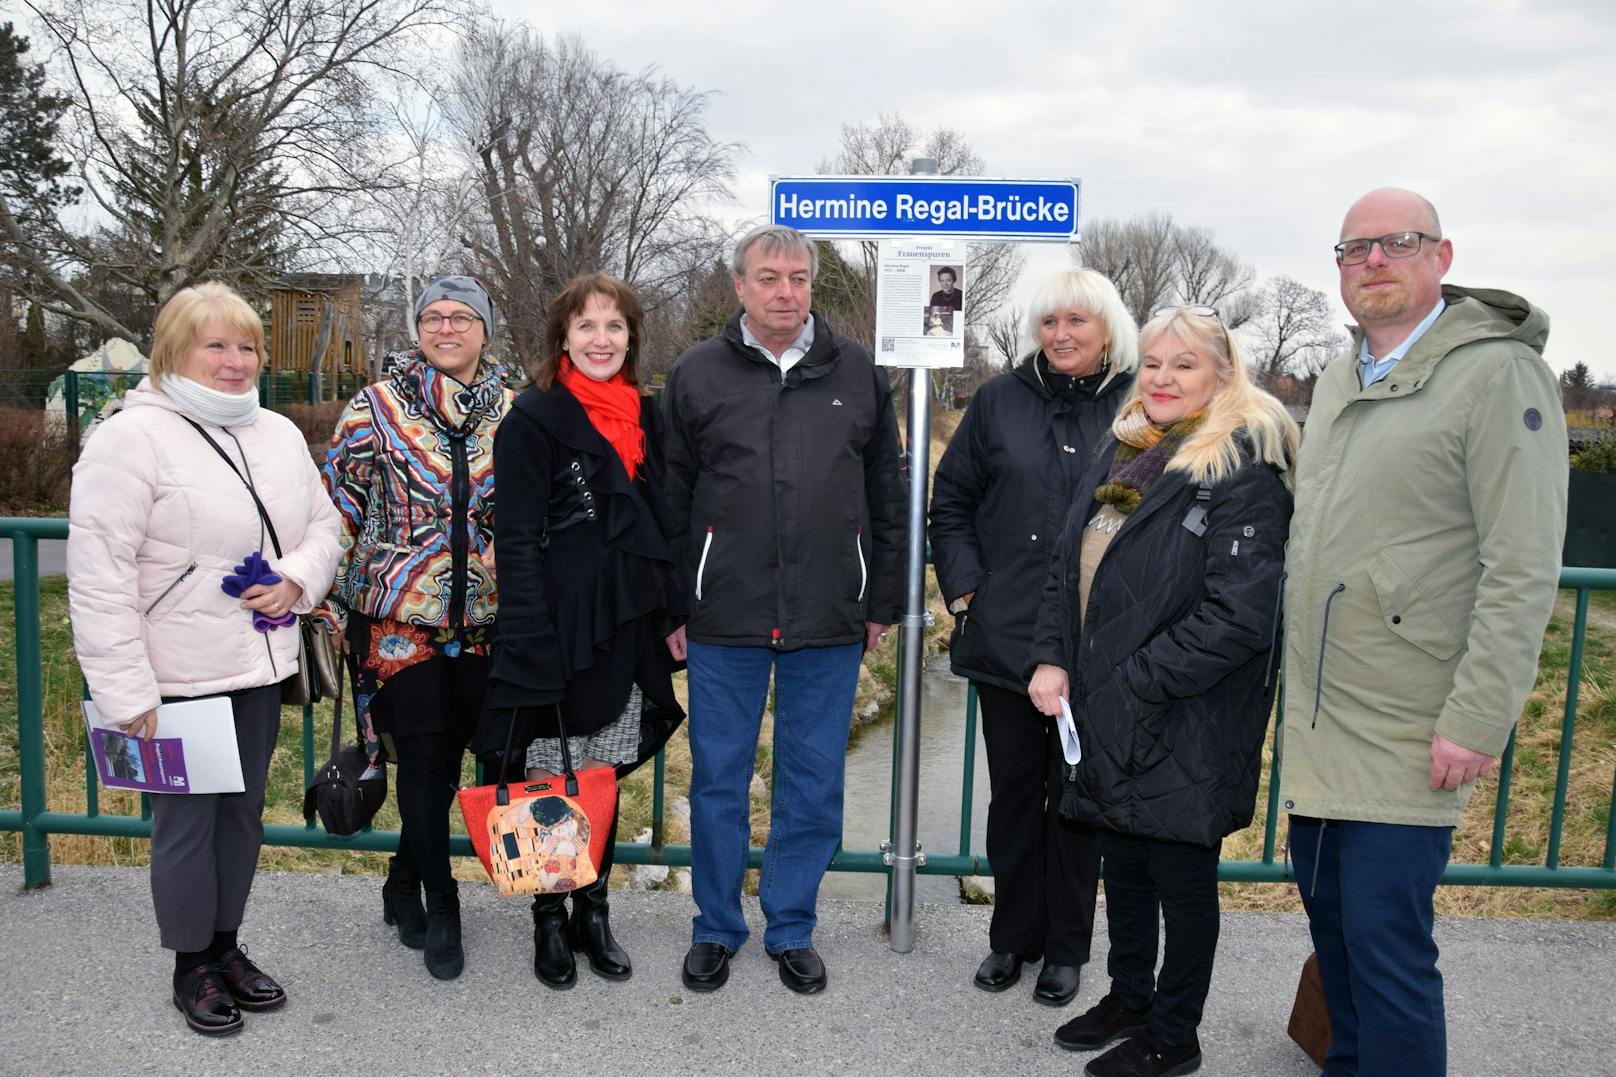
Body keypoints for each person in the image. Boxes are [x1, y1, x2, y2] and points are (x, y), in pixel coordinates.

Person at [1280, 188, 1568, 1077]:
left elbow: (1522, 564)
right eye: (1353, 249)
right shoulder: (1339, 377)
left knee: (1389, 953)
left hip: (1409, 723)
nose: (1373, 262)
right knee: (1339, 939)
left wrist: (1478, 716)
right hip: (1323, 721)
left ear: (1440, 257)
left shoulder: (1495, 374)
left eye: (1396, 243)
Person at [1027, 306, 1297, 1077]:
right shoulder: (1128, 449)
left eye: (1183, 364)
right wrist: (1054, 657)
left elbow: (1240, 614)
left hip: (1187, 711)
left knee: (1180, 878)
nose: (1163, 378)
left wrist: (1138, 680)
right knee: (1127, 863)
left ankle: (1175, 1034)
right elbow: (1065, 568)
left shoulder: (1242, 465)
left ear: (1222, 374)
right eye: (1152, 363)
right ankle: (1129, 997)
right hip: (1110, 703)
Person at [67, 282, 342, 1036]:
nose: (235, 360)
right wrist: (126, 692)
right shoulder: (130, 437)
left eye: (248, 345)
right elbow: (99, 578)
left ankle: (227, 946)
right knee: (185, 827)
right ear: (173, 350)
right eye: (215, 344)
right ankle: (191, 964)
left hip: (255, 668)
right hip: (172, 679)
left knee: (242, 818)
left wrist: (296, 580)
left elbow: (324, 526)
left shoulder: (278, 432)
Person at [662, 224, 906, 995]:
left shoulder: (857, 371)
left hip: (830, 612)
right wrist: (674, 599)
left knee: (811, 780)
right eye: (769, 277)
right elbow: (669, 498)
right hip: (722, 612)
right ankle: (716, 927)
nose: (784, 291)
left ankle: (792, 925)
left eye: (798, 278)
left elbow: (888, 495)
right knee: (718, 779)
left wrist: (884, 597)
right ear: (739, 285)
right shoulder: (697, 373)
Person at [929, 268, 1138, 1007]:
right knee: (1015, 795)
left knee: (1075, 797)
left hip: (1097, 642)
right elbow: (950, 502)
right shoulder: (998, 401)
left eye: (1078, 321)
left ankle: (1067, 947)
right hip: (1007, 638)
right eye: (1051, 322)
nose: (1062, 334)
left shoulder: (1137, 408)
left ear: (1108, 329)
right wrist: (967, 593)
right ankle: (1012, 938)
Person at [478, 272, 685, 989]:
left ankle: (594, 908)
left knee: (601, 769)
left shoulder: (643, 417)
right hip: (557, 628)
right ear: (563, 336)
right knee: (549, 769)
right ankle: (549, 914)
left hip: (626, 623)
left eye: (615, 326)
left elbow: (660, 526)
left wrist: (670, 616)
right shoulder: (534, 417)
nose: (602, 339)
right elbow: (515, 537)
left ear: (632, 338)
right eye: (587, 326)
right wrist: (530, 634)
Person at [322, 275, 513, 981]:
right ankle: (442, 903)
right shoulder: (374, 409)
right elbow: (336, 506)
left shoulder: (513, 416)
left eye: (461, 316)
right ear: (418, 329)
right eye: (432, 316)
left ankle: (402, 880)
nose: (446, 328)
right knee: (426, 760)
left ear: (485, 329)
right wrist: (324, 600)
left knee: (456, 760)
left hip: (489, 622)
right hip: (399, 619)